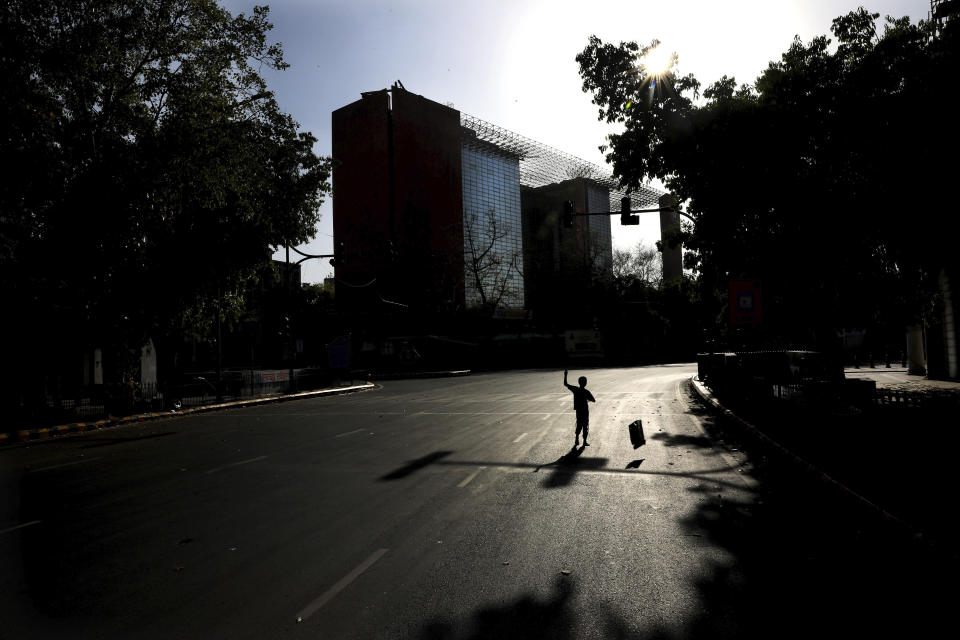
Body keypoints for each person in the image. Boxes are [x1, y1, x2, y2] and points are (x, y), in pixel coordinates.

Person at [563, 369, 596, 448]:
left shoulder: (575, 389)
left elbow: (565, 384)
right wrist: (587, 400)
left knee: (579, 424)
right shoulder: (586, 392)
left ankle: (577, 438)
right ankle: (584, 441)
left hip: (578, 410)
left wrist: (565, 375)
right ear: (585, 383)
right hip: (585, 410)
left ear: (579, 382)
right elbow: (593, 400)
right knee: (585, 425)